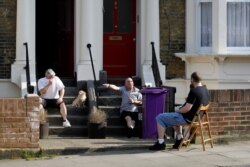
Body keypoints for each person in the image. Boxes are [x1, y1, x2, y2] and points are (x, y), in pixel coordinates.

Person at [149, 72, 209, 150]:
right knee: (174, 116)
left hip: (188, 119)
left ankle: (160, 143)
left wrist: (178, 110)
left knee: (160, 117)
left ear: (192, 80)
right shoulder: (205, 90)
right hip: (198, 119)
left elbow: (186, 109)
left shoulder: (194, 91)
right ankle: (180, 139)